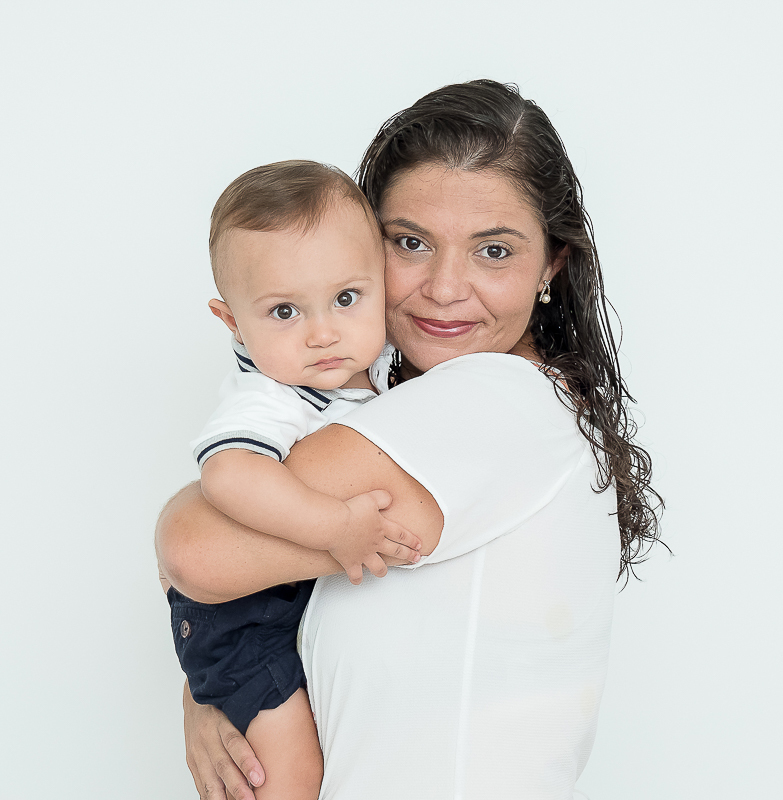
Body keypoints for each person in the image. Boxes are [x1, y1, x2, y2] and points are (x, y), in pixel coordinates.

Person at [156, 79, 663, 800]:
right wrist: (211, 686)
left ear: (552, 265)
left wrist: (208, 669)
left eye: (494, 250)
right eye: (411, 242)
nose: (447, 287)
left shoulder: (492, 402)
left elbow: (191, 548)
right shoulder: (427, 414)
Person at [168, 160, 424, 800]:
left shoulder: (381, 364)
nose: (323, 333)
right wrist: (335, 528)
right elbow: (228, 475)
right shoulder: (271, 398)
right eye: (284, 311)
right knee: (287, 777)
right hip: (242, 619)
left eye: (347, 297)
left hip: (283, 600)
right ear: (233, 324)